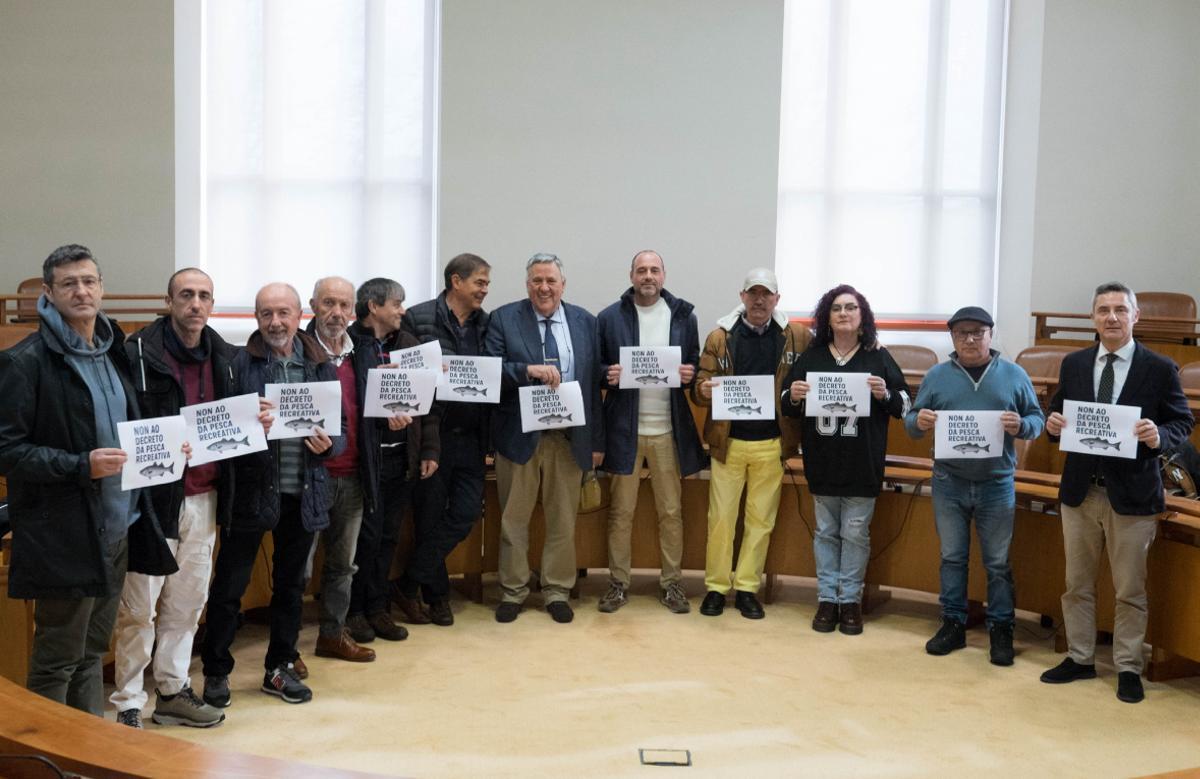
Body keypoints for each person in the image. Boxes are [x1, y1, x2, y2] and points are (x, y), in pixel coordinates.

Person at [0, 244, 175, 717]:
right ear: (49, 293)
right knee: (57, 659)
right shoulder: (25, 362)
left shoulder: (115, 349)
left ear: (101, 288)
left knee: (93, 652)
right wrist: (81, 465)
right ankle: (45, 753)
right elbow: (7, 452)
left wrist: (166, 446)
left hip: (117, 529)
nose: (81, 291)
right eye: (69, 283)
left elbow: (132, 425)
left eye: (89, 281)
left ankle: (87, 747)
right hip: (64, 534)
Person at [1039, 282, 1193, 703]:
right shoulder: (1073, 363)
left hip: (1133, 496)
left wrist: (1159, 434)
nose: (1111, 317)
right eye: (1103, 309)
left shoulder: (1159, 368)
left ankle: (1127, 666)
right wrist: (1053, 424)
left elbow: (1182, 422)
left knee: (1130, 590)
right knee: (1077, 584)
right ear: (1093, 317)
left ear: (1134, 316)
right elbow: (1059, 412)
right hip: (1081, 492)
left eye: (1120, 310)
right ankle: (1080, 657)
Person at [200, 283, 341, 707]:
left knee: (290, 588)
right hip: (251, 494)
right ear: (256, 317)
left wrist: (329, 446)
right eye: (266, 314)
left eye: (283, 313)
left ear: (299, 316)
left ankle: (279, 668)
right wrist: (249, 424)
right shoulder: (237, 363)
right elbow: (218, 427)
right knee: (229, 588)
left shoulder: (321, 365)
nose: (275, 322)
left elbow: (341, 433)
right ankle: (216, 672)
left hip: (303, 494)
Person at [110, 268, 233, 729]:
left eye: (204, 296)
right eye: (186, 295)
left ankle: (172, 689)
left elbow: (236, 419)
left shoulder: (226, 357)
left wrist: (257, 416)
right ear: (169, 301)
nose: (195, 304)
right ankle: (127, 701)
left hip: (204, 496)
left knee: (187, 604)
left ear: (212, 304)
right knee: (139, 608)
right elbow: (119, 420)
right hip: (152, 501)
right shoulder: (136, 353)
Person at [904, 306, 1044, 665]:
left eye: (977, 332)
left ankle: (1001, 628)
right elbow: (910, 423)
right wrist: (919, 421)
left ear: (990, 335)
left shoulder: (1013, 375)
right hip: (948, 481)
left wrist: (1021, 426)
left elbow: (1037, 419)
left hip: (996, 483)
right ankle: (953, 623)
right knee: (952, 557)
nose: (970, 339)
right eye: (962, 333)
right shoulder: (937, 376)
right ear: (952, 338)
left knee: (997, 562)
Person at [782, 284, 909, 635]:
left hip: (862, 461)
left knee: (854, 534)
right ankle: (827, 599)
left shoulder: (877, 356)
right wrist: (794, 395)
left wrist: (884, 394)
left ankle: (850, 600)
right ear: (827, 316)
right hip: (822, 461)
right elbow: (785, 402)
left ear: (862, 315)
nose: (843, 313)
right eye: (836, 308)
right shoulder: (813, 356)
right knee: (825, 532)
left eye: (850, 307)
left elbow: (904, 405)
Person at [484, 253, 604, 624]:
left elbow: (592, 384)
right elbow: (491, 371)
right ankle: (513, 591)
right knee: (513, 521)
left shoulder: (586, 321)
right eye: (537, 280)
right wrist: (527, 371)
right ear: (527, 285)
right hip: (519, 436)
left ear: (563, 285)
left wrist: (596, 441)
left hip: (568, 438)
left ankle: (556, 590)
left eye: (551, 280)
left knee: (563, 520)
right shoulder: (503, 318)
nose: (544, 287)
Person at [691, 268, 811, 619]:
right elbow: (700, 385)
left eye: (766, 294)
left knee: (761, 521)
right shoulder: (719, 337)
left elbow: (826, 359)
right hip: (728, 443)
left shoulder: (798, 337)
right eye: (753, 293)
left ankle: (746, 589)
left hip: (772, 443)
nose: (759, 300)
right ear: (742, 297)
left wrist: (871, 341)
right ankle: (716, 588)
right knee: (721, 520)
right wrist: (703, 389)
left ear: (777, 299)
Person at [596, 250, 706, 614]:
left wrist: (690, 374)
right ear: (631, 276)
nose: (648, 276)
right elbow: (596, 367)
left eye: (654, 270)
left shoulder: (684, 316)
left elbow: (693, 365)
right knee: (620, 513)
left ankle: (672, 584)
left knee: (671, 512)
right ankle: (617, 584)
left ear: (663, 275)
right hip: (623, 431)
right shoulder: (609, 317)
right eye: (641, 270)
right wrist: (606, 374)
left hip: (668, 431)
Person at [303, 276, 400, 660]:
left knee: (343, 566)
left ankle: (332, 635)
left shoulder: (364, 350)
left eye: (344, 305)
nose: (336, 312)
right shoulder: (298, 349)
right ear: (313, 305)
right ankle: (285, 650)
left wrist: (391, 418)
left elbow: (371, 411)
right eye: (328, 303)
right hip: (311, 477)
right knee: (299, 569)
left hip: (356, 474)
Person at [397, 254, 490, 626]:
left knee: (466, 513)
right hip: (431, 437)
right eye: (480, 282)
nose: (485, 290)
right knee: (429, 517)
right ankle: (436, 597)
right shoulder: (417, 318)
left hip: (473, 437)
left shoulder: (487, 324)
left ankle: (408, 582)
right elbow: (404, 373)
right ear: (456, 281)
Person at [345, 277, 439, 638]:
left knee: (388, 538)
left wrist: (428, 449)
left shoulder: (410, 345)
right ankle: (354, 611)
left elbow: (428, 405)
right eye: (397, 304)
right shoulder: (348, 345)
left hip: (402, 459)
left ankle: (378, 608)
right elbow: (346, 401)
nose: (403, 311)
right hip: (364, 463)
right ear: (374, 306)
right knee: (364, 540)